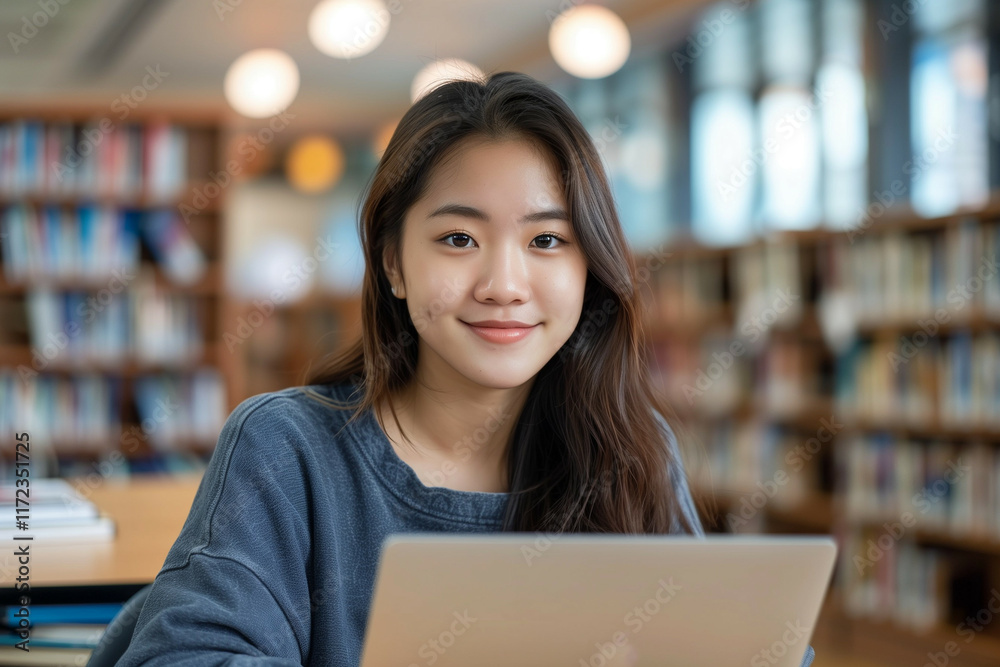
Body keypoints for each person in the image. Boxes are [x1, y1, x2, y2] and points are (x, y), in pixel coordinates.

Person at [117, 71, 816, 666]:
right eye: (458, 238)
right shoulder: (286, 446)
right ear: (392, 261)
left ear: (589, 267)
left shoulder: (631, 449)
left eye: (546, 239)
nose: (503, 284)